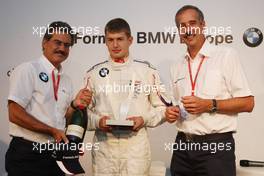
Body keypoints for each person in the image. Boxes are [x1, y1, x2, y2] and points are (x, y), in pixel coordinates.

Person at [165, 5, 255, 176]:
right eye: (182, 26)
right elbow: (176, 104)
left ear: (203, 25)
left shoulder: (226, 55)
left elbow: (248, 103)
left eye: (192, 23)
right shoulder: (176, 65)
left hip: (216, 147)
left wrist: (209, 105)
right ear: (178, 31)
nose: (188, 30)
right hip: (183, 146)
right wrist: (171, 113)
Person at [5, 21, 92, 176]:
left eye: (67, 45)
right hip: (27, 154)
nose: (62, 48)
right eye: (57, 42)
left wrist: (74, 105)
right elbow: (14, 113)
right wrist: (51, 131)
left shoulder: (66, 80)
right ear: (44, 42)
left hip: (55, 155)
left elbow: (61, 117)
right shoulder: (28, 69)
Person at [85, 18, 166, 176]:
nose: (115, 45)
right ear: (105, 41)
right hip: (104, 150)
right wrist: (98, 121)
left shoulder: (148, 71)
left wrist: (144, 119)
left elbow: (163, 108)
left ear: (130, 40)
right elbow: (81, 114)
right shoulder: (93, 74)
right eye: (111, 40)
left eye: (120, 39)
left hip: (136, 151)